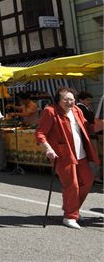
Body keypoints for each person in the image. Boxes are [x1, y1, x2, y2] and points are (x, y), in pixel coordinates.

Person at [35, 87, 101, 229]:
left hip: (81, 153)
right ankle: (69, 216)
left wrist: (99, 125)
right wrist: (48, 148)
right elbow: (40, 133)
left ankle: (71, 207)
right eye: (66, 100)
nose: (70, 102)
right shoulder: (50, 111)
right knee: (72, 185)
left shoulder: (77, 110)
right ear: (58, 100)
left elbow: (86, 128)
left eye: (72, 99)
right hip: (63, 154)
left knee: (88, 181)